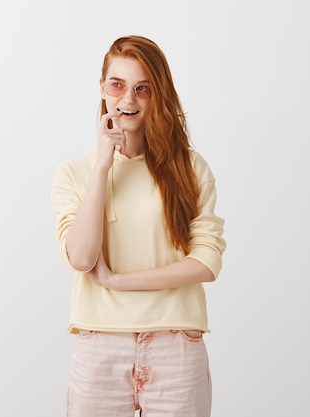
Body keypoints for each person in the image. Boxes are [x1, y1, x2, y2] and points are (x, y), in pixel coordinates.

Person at [50, 35, 226, 417]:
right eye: (117, 85)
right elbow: (81, 258)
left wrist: (117, 282)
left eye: (142, 89)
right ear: (102, 88)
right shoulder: (75, 173)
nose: (127, 100)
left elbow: (206, 264)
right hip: (100, 344)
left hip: (175, 343)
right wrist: (102, 164)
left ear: (156, 95)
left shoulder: (190, 169)